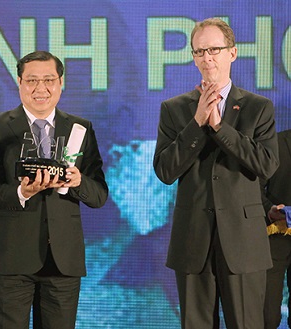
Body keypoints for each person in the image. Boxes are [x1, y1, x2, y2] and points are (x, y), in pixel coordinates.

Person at [153, 18, 279, 328]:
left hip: (243, 242)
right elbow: (165, 170)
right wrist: (196, 124)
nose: (207, 58)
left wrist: (219, 127)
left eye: (214, 49)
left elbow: (265, 164)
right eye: (199, 51)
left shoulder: (258, 107)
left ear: (232, 53)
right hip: (193, 240)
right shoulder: (175, 109)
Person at [0, 50, 108, 329]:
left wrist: (78, 182)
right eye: (32, 81)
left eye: (49, 80)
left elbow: (99, 195)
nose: (41, 88)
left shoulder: (80, 129)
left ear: (61, 83)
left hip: (63, 262)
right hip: (11, 260)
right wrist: (21, 193)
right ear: (20, 83)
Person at [260, 128, 291, 329]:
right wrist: (268, 209)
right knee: (267, 317)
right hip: (274, 239)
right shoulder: (276, 142)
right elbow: (251, 187)